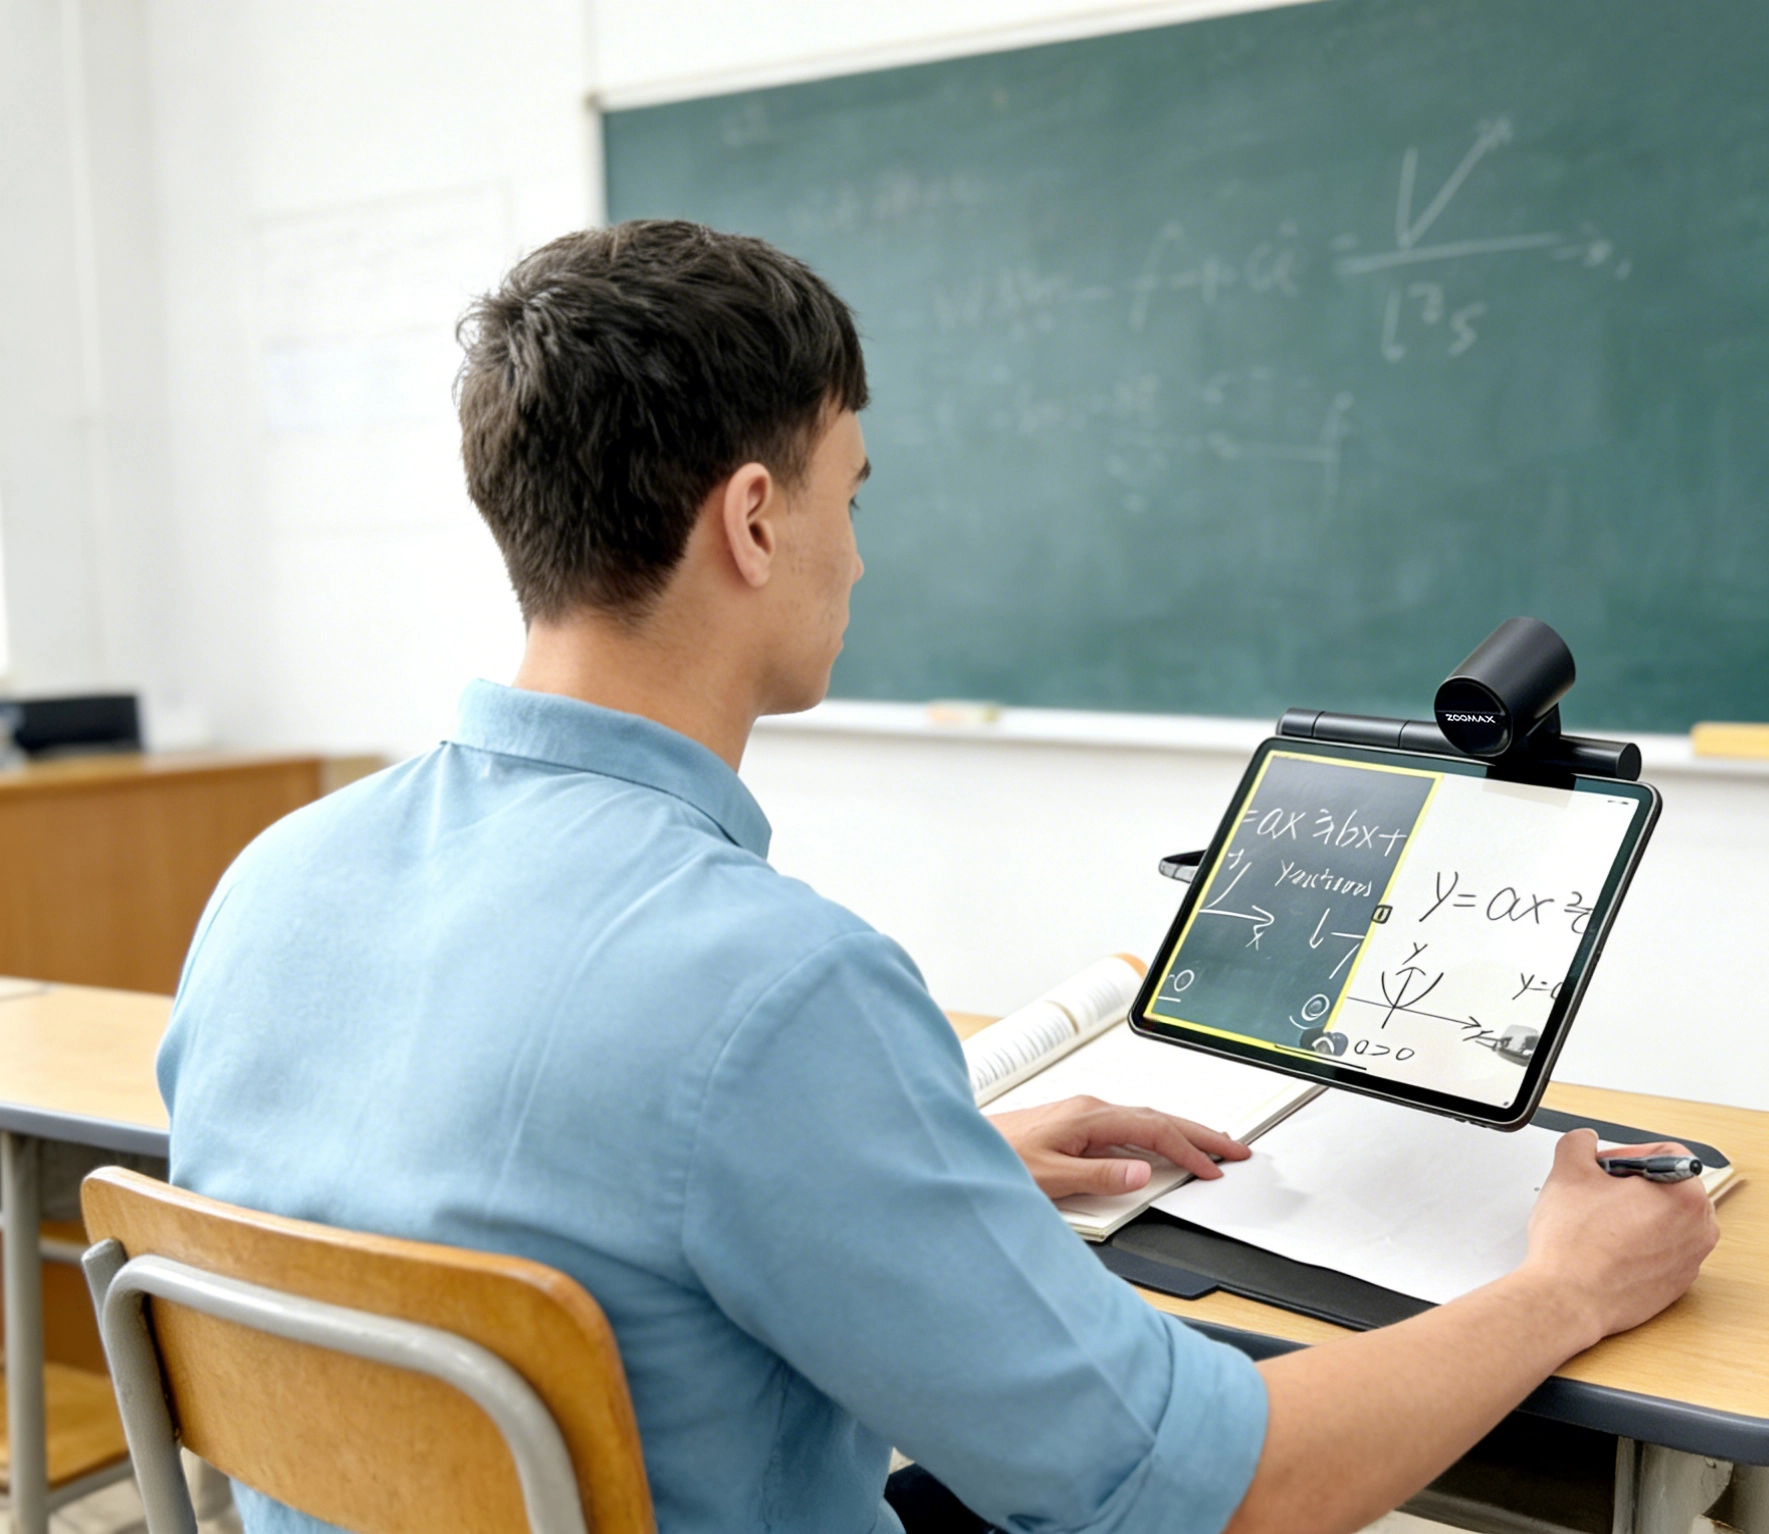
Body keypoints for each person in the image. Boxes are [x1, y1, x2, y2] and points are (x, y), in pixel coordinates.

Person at [158, 221, 1718, 1534]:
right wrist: (1561, 1291)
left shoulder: (273, 883)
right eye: (855, 492)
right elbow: (1192, 1489)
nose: (861, 553)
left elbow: (536, 1180)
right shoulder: (768, 990)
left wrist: (909, 1162)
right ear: (755, 520)